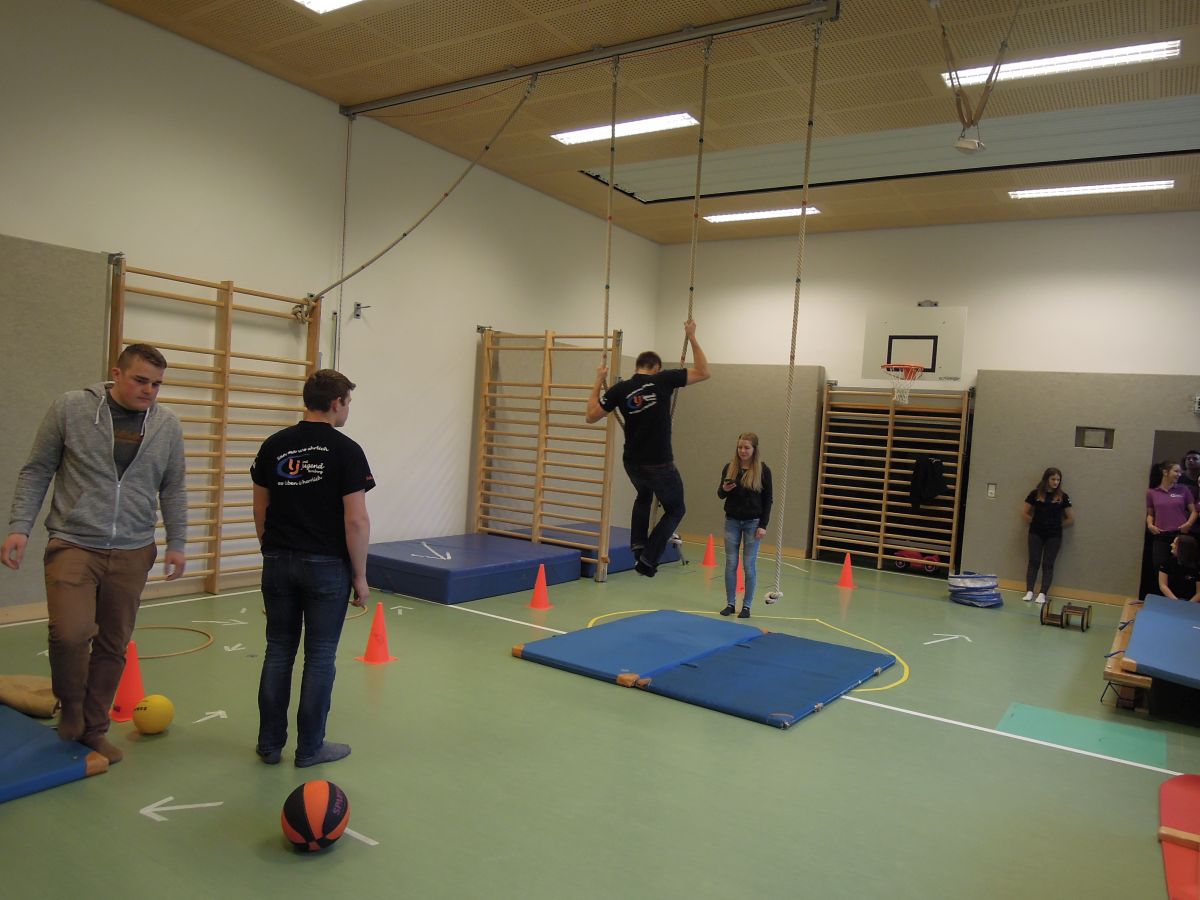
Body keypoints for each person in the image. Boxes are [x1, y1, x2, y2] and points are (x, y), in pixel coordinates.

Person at [1, 344, 187, 763]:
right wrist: (19, 527)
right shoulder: (71, 408)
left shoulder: (167, 425)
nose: (149, 391)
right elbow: (37, 469)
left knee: (112, 643)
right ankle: (71, 704)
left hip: (133, 549)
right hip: (74, 541)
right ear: (116, 373)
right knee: (69, 633)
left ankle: (93, 727)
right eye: (140, 380)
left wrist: (177, 542)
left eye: (157, 384)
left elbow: (173, 485)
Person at [251, 369, 374, 768]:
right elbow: (356, 520)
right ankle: (310, 748)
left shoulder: (274, 445)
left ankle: (269, 744)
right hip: (325, 566)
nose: (348, 410)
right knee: (319, 656)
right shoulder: (346, 450)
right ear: (336, 403)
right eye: (348, 403)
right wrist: (360, 576)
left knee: (278, 651)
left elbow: (260, 508)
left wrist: (270, 551)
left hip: (278, 560)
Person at [585, 319, 710, 577]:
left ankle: (638, 545)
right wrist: (691, 336)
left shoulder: (621, 389)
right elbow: (703, 371)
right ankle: (648, 559)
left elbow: (591, 415)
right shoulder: (663, 379)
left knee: (644, 495)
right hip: (658, 462)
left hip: (632, 462)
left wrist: (598, 380)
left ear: (638, 367)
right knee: (676, 509)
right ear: (656, 367)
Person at [716, 432, 773, 619]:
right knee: (731, 563)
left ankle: (746, 606)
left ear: (754, 449)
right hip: (732, 521)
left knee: (749, 565)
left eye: (747, 447)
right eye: (740, 447)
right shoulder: (730, 468)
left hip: (753, 523)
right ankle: (730, 603)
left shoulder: (763, 471)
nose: (743, 451)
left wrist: (763, 525)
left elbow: (768, 500)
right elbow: (720, 494)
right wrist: (724, 489)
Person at [1020, 467, 1073, 604]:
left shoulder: (1063, 497)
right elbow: (1024, 513)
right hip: (1036, 533)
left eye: (1058, 480)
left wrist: (1056, 525)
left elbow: (1070, 518)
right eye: (1053, 479)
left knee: (1048, 564)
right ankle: (1029, 591)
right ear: (1046, 479)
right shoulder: (1035, 494)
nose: (1056, 482)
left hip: (1054, 535)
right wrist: (1035, 522)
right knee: (1034, 561)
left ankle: (1042, 593)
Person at [1146, 459, 1196, 574]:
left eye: (1180, 472)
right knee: (1159, 567)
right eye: (1176, 471)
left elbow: (1194, 511)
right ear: (1165, 472)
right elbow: (1150, 514)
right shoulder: (1152, 492)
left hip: (1180, 535)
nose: (1179, 474)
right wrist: (1150, 525)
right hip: (1161, 535)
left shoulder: (1183, 490)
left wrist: (1188, 524)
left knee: (1181, 568)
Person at [1157, 534, 1198, 601]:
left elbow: (1199, 593)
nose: (1171, 545)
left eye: (1174, 543)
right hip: (1171, 599)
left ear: (1183, 548)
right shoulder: (1167, 563)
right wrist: (1176, 602)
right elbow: (1163, 585)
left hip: (1191, 602)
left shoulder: (1196, 566)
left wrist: (1188, 604)